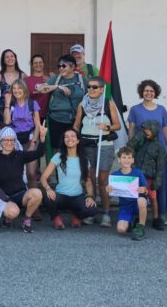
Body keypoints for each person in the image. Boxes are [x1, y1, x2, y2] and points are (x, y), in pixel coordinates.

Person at [73, 76, 120, 227]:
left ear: (101, 89)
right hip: (86, 145)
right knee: (89, 179)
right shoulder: (82, 104)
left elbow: (117, 125)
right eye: (89, 87)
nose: (91, 89)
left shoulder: (108, 103)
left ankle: (106, 213)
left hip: (104, 144)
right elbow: (76, 124)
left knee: (102, 180)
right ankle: (91, 211)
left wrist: (106, 127)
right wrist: (71, 138)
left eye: (95, 87)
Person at [127, 79, 167, 227]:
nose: (149, 93)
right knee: (139, 183)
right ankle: (137, 214)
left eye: (151, 91)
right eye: (146, 90)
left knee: (159, 183)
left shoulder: (162, 109)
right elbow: (132, 129)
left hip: (158, 151)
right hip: (140, 151)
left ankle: (160, 215)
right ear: (142, 92)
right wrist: (130, 151)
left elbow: (166, 130)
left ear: (155, 93)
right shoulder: (135, 109)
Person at [0, 127, 45, 233]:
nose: (9, 142)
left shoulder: (20, 155)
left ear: (15, 141)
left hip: (21, 194)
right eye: (6, 140)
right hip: (4, 197)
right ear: (0, 141)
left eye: (12, 140)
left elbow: (38, 153)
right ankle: (7, 218)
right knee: (13, 212)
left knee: (37, 193)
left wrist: (42, 138)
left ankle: (27, 219)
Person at [39, 129, 97, 230]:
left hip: (77, 196)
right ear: (64, 140)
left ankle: (77, 216)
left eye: (72, 136)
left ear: (78, 140)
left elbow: (88, 182)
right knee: (46, 198)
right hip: (61, 195)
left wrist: (90, 196)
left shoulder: (84, 159)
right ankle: (56, 218)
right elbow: (43, 177)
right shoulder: (58, 157)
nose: (69, 138)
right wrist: (48, 189)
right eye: (66, 136)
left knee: (92, 208)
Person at [37, 54, 86, 153]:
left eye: (64, 66)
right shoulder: (56, 79)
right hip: (57, 119)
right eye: (59, 66)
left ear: (72, 67)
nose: (60, 68)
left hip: (76, 120)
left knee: (75, 147)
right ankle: (58, 168)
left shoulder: (81, 80)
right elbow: (40, 89)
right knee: (58, 148)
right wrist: (57, 87)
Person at [127, 120, 167, 230]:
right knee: (137, 198)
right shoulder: (139, 143)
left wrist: (158, 180)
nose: (147, 132)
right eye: (145, 129)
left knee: (153, 198)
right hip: (138, 177)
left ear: (155, 131)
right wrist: (139, 134)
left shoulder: (159, 147)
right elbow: (129, 146)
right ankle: (136, 218)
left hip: (150, 178)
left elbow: (160, 166)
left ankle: (156, 218)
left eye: (149, 129)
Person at [3, 79, 42, 191]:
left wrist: (33, 142)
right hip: (15, 141)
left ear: (24, 89)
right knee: (15, 173)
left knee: (31, 173)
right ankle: (20, 198)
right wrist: (6, 103)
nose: (16, 91)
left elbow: (38, 126)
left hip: (30, 139)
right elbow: (6, 122)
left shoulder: (32, 104)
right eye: (14, 88)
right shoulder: (11, 105)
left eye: (19, 88)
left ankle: (35, 201)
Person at [106, 147, 148, 241]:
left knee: (141, 200)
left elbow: (146, 190)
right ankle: (131, 223)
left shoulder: (138, 173)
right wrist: (108, 190)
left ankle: (141, 227)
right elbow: (111, 195)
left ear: (132, 160)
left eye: (129, 157)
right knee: (121, 229)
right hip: (125, 206)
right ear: (119, 159)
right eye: (124, 157)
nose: (126, 160)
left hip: (137, 203)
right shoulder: (115, 175)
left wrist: (143, 190)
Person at [24, 54, 51, 122]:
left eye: (40, 62)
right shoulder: (27, 80)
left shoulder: (49, 79)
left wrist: (51, 81)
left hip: (48, 115)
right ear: (32, 65)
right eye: (35, 63)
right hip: (31, 114)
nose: (38, 64)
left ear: (43, 64)